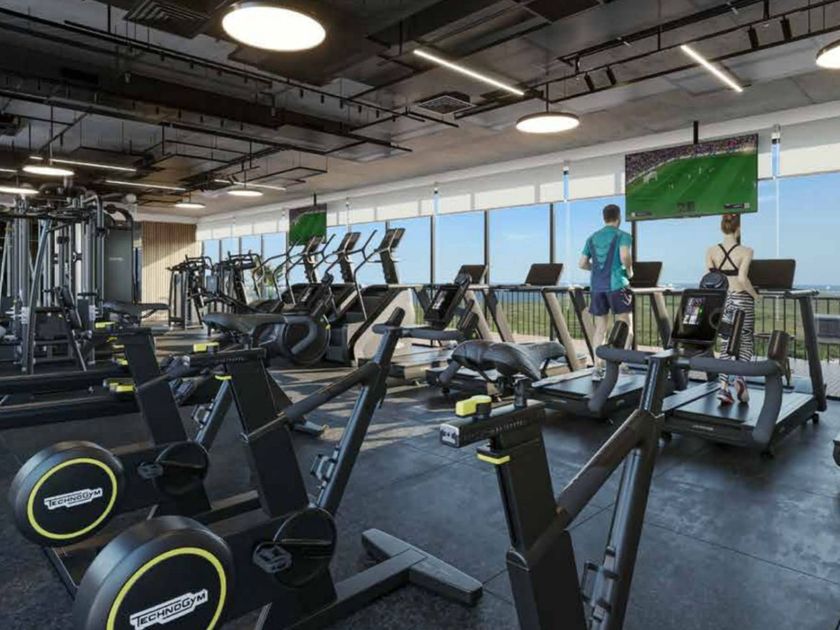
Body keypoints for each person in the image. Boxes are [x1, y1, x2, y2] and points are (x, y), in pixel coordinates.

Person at [705, 213, 759, 405]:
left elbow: (710, 280)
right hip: (742, 299)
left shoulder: (711, 251)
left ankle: (723, 388)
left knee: (726, 342)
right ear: (738, 229)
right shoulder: (746, 251)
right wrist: (755, 296)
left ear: (722, 227)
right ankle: (740, 377)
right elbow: (743, 279)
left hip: (723, 300)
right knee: (745, 340)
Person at [579, 204, 634, 380]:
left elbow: (582, 264)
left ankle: (597, 367)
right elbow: (624, 256)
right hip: (618, 285)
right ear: (618, 217)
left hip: (597, 287)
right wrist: (629, 271)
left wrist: (596, 270)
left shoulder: (592, 238)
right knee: (625, 325)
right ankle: (622, 364)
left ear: (604, 218)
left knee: (600, 328)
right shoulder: (623, 235)